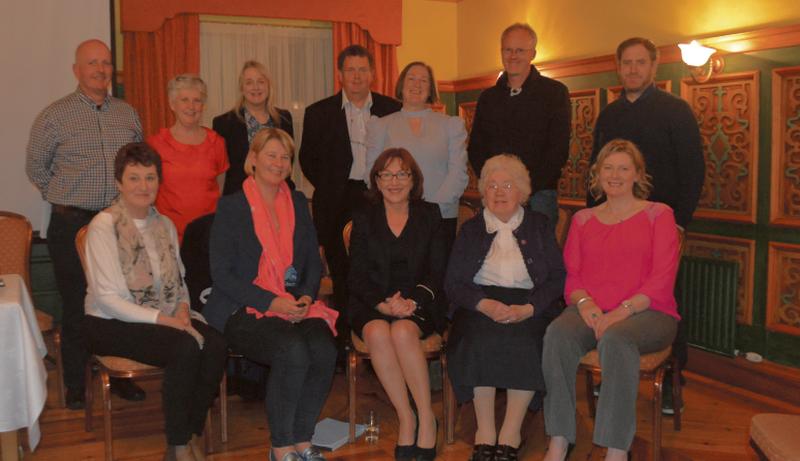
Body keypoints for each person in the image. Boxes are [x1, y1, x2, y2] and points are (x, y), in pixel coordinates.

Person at [83, 143, 227, 461]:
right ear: (119, 183)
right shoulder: (103, 226)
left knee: (216, 344)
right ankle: (177, 446)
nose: (143, 186)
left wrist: (185, 310)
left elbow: (179, 281)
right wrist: (168, 321)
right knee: (185, 347)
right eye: (134, 178)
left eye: (150, 178)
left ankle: (190, 432)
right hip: (108, 323)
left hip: (164, 315)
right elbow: (108, 300)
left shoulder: (163, 225)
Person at [542, 139, 680, 461]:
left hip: (650, 312)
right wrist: (585, 303)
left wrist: (622, 311)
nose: (614, 175)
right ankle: (559, 440)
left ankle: (616, 450)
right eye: (608, 167)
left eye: (623, 168)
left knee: (616, 339)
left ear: (637, 175)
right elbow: (572, 276)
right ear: (597, 173)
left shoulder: (658, 214)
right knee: (557, 335)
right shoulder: (583, 220)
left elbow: (662, 279)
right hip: (592, 309)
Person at [204, 128, 338, 461]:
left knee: (323, 347)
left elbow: (310, 260)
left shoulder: (296, 201)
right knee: (291, 348)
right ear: (253, 159)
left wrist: (306, 296)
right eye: (271, 155)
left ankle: (302, 438)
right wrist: (269, 301)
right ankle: (280, 446)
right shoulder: (231, 207)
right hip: (242, 307)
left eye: (285, 157)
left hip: (292, 303)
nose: (278, 163)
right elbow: (222, 275)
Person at [25, 39, 145, 409]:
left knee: (122, 302)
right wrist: (65, 197)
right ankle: (76, 385)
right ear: (76, 70)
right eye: (92, 63)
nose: (100, 70)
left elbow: (138, 163)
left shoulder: (127, 115)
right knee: (76, 304)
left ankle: (121, 374)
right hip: (70, 223)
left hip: (117, 224)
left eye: (106, 63)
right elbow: (36, 169)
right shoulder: (53, 115)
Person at [587, 38, 704, 412]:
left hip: (661, 229)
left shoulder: (676, 110)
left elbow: (692, 171)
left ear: (654, 67)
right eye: (627, 63)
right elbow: (596, 168)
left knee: (666, 300)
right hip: (613, 228)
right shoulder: (609, 115)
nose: (633, 69)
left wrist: (680, 223)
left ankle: (671, 381)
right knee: (611, 297)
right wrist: (593, 221)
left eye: (641, 62)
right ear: (618, 68)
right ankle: (611, 373)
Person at [446, 154, 566, 461]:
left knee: (525, 341)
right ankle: (485, 431)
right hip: (480, 302)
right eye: (492, 185)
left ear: (522, 193)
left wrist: (529, 308)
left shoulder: (539, 225)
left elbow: (555, 279)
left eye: (507, 185)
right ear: (483, 191)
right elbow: (454, 282)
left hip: (529, 303)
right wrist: (483, 304)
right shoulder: (471, 229)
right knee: (477, 338)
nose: (499, 192)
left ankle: (511, 431)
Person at [348, 148, 448, 461]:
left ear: (413, 179)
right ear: (376, 181)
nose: (394, 181)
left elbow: (437, 271)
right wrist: (382, 305)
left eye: (402, 174)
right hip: (373, 302)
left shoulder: (430, 214)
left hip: (420, 302)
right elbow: (356, 275)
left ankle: (427, 418)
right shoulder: (364, 219)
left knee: (403, 333)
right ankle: (407, 417)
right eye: (386, 174)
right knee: (378, 333)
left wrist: (412, 301)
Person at [299, 45, 402, 317]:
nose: (356, 76)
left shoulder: (393, 110)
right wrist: (331, 183)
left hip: (380, 198)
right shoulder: (318, 112)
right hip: (335, 202)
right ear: (340, 75)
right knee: (342, 270)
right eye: (350, 70)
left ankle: (378, 325)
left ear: (373, 74)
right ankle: (346, 335)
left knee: (380, 266)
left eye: (362, 70)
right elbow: (307, 160)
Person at [467, 23, 571, 235]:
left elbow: (558, 150)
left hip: (539, 196)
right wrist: (494, 185)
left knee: (539, 262)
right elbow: (476, 149)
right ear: (501, 52)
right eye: (508, 50)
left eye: (520, 50)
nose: (513, 56)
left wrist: (524, 189)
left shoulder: (555, 93)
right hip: (495, 197)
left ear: (533, 53)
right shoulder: (488, 98)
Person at [365, 61, 468, 250]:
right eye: (411, 78)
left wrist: (430, 211)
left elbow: (458, 174)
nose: (416, 84)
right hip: (394, 217)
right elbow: (372, 173)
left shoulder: (451, 125)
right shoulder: (380, 126)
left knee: (436, 276)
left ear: (431, 89)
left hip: (441, 216)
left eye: (424, 80)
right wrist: (402, 209)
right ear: (401, 85)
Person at [148, 74, 228, 242]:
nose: (191, 106)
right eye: (184, 99)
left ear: (203, 106)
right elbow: (149, 191)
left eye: (197, 100)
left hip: (207, 234)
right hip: (167, 236)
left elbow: (219, 188)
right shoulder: (156, 144)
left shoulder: (217, 143)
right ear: (172, 104)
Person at [213, 60, 294, 196]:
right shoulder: (224, 123)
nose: (256, 87)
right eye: (249, 82)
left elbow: (288, 161)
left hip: (278, 196)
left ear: (268, 86)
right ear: (242, 88)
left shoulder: (284, 119)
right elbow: (220, 172)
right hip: (240, 199)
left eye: (261, 82)